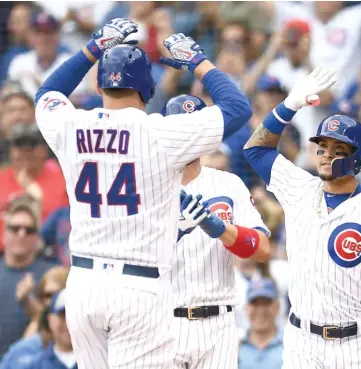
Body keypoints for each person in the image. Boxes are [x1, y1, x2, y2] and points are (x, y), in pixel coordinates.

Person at [33, 17, 252, 369]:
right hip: (138, 288)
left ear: (101, 85)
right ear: (148, 90)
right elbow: (238, 108)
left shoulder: (71, 125)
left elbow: (46, 94)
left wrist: (93, 48)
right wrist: (198, 61)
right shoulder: (160, 132)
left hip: (83, 285)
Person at [244, 66, 361, 369]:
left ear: (356, 156)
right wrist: (289, 106)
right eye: (322, 147)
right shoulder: (299, 187)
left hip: (356, 343)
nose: (326, 154)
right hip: (300, 339)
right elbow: (255, 150)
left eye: (337, 148)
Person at [161, 94, 270, 369]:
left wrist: (222, 230)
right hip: (162, 321)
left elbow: (262, 249)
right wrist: (172, 234)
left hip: (217, 322)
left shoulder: (228, 184)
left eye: (192, 129)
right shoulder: (148, 183)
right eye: (178, 129)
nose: (186, 137)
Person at [0, 196, 58, 357]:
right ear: (4, 233)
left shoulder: (53, 275)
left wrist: (32, 305)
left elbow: (61, 327)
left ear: (38, 237)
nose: (21, 234)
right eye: (15, 228)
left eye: (29, 230)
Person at [238, 278, 284, 369]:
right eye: (255, 303)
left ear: (278, 306)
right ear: (246, 308)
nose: (261, 310)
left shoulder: (291, 345)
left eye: (266, 303)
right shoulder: (235, 347)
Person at [27, 289, 77, 369]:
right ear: (50, 320)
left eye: (74, 316)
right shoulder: (35, 366)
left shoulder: (100, 362)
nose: (68, 323)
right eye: (62, 316)